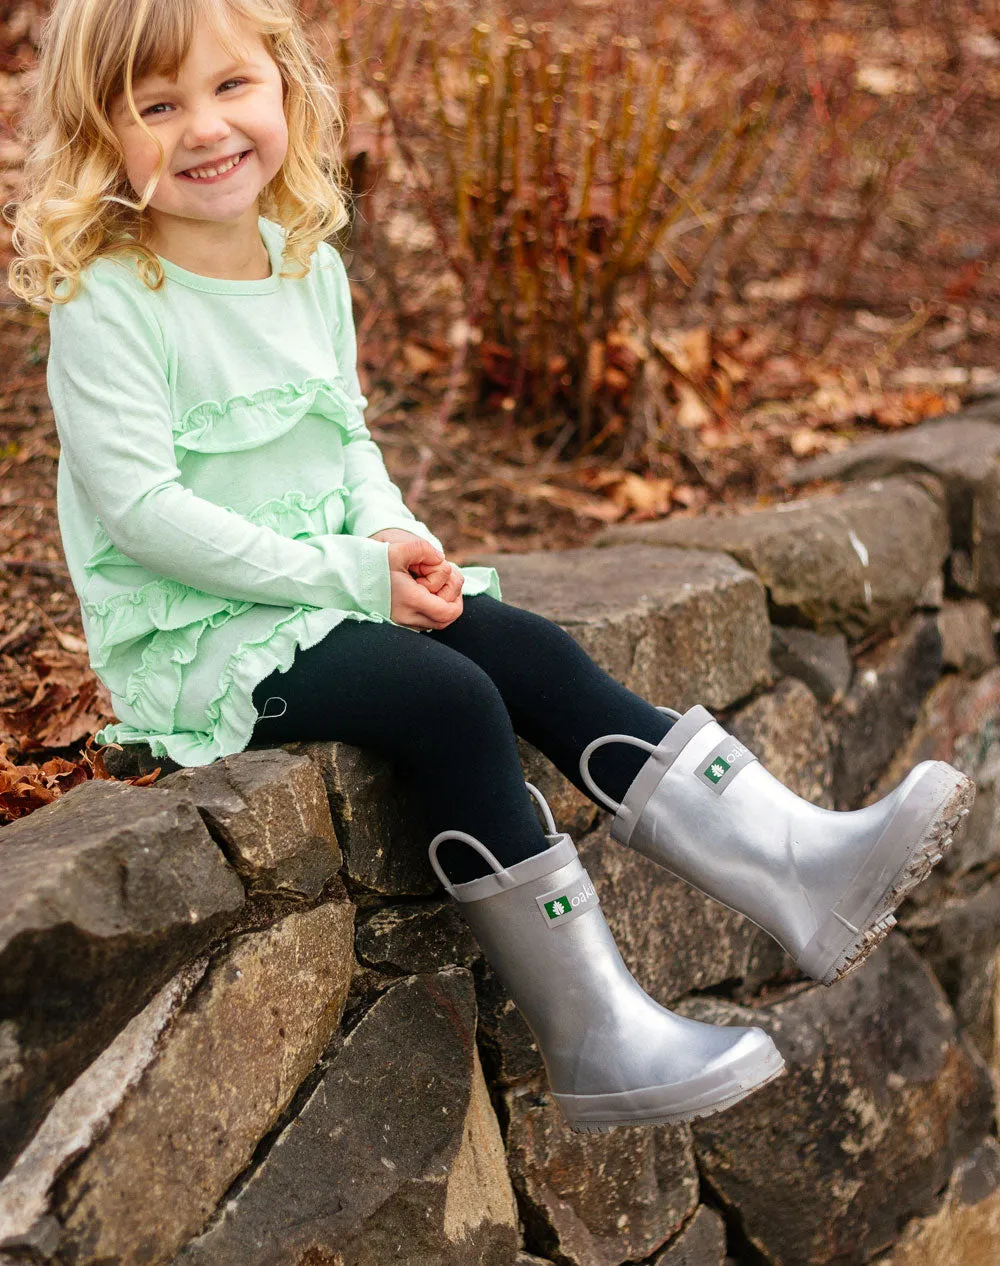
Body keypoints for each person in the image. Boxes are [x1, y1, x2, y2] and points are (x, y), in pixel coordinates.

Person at [7, 0, 973, 1135]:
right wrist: (351, 578)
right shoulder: (113, 301)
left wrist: (399, 542)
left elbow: (346, 438)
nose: (207, 129)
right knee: (449, 698)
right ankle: (600, 1034)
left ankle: (795, 866)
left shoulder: (300, 260)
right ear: (95, 133)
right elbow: (146, 517)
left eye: (231, 88)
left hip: (329, 588)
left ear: (284, 84)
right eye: (157, 107)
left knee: (526, 648)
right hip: (203, 638)